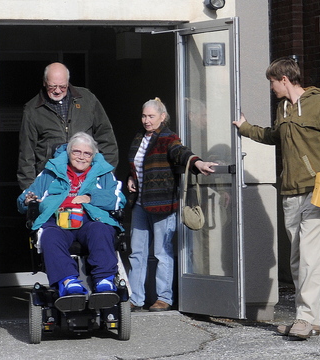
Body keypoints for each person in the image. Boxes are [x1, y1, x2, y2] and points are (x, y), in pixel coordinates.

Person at [233, 57, 320, 339]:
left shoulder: (319, 104)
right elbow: (275, 136)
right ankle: (310, 322)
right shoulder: (283, 109)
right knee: (299, 261)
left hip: (319, 191)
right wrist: (246, 128)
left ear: (284, 80)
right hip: (290, 193)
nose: (272, 88)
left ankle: (303, 318)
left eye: (272, 82)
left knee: (312, 259)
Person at [127, 97, 218, 312]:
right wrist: (131, 177)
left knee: (161, 252)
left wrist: (198, 162)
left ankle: (164, 297)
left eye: (151, 116)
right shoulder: (139, 137)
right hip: (140, 203)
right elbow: (137, 165)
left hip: (162, 203)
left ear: (162, 117)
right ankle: (134, 298)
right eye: (144, 116)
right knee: (136, 252)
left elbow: (181, 152)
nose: (146, 120)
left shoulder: (168, 138)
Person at [17, 132, 126, 296]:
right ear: (69, 153)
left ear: (93, 156)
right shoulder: (50, 172)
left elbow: (118, 199)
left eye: (87, 153)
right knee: (49, 236)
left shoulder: (103, 173)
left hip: (90, 219)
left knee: (101, 230)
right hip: (58, 220)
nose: (81, 157)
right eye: (76, 152)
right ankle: (68, 282)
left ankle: (104, 280)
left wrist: (91, 197)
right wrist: (27, 200)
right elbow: (23, 199)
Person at [17, 62, 118, 191]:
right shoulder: (32, 110)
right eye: (52, 87)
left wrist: (104, 175)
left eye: (62, 87)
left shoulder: (87, 99)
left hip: (88, 179)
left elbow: (107, 138)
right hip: (51, 181)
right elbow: (26, 155)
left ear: (68, 82)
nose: (58, 91)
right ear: (44, 82)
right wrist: (30, 192)